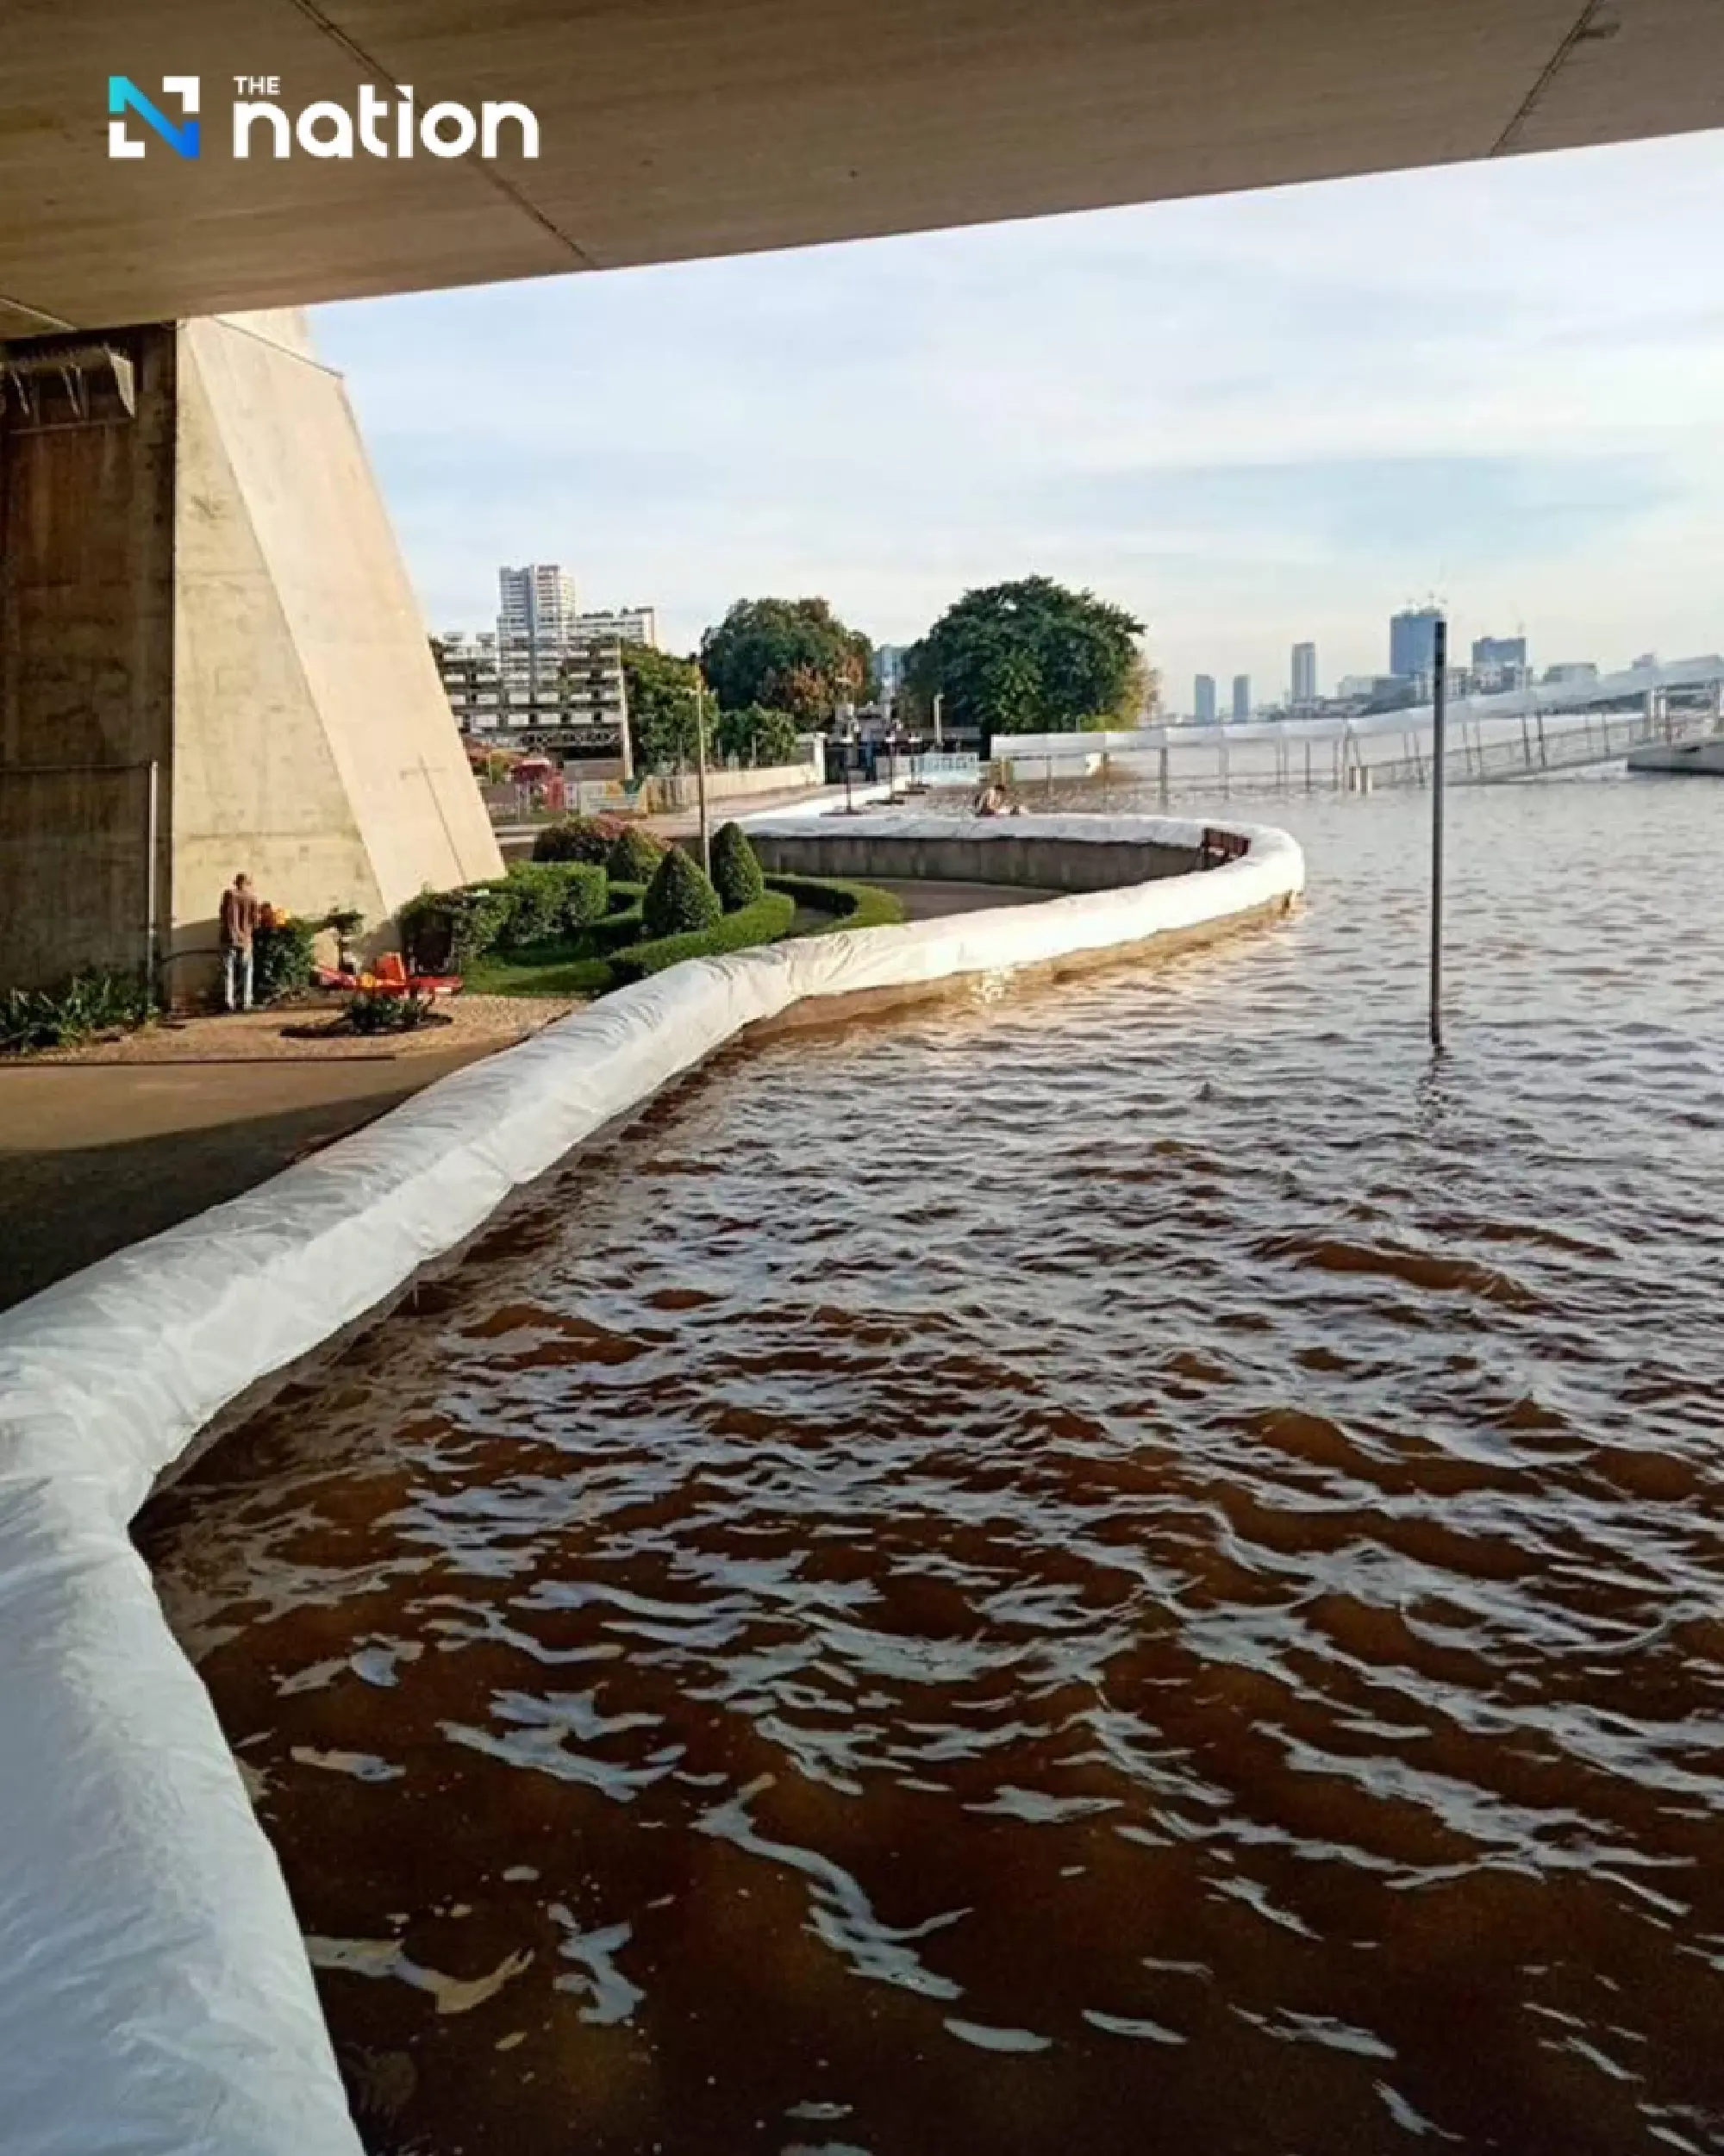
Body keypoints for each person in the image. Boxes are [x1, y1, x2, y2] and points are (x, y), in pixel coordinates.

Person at [219, 872, 260, 1012]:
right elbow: (256, 922)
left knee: (228, 971)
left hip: (228, 938)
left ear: (236, 882)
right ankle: (245, 1001)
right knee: (247, 970)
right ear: (248, 884)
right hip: (246, 940)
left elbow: (222, 915)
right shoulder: (252, 899)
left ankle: (228, 1001)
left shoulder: (229, 895)